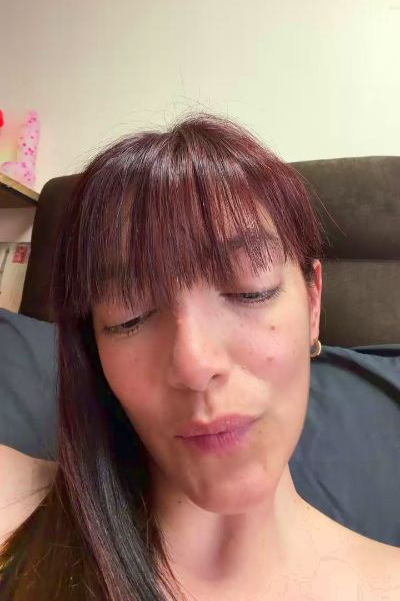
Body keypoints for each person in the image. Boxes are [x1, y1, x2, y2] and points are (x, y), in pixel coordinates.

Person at [0, 114, 399, 600]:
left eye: (250, 290)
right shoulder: (16, 510)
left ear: (313, 305)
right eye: (130, 315)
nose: (193, 364)